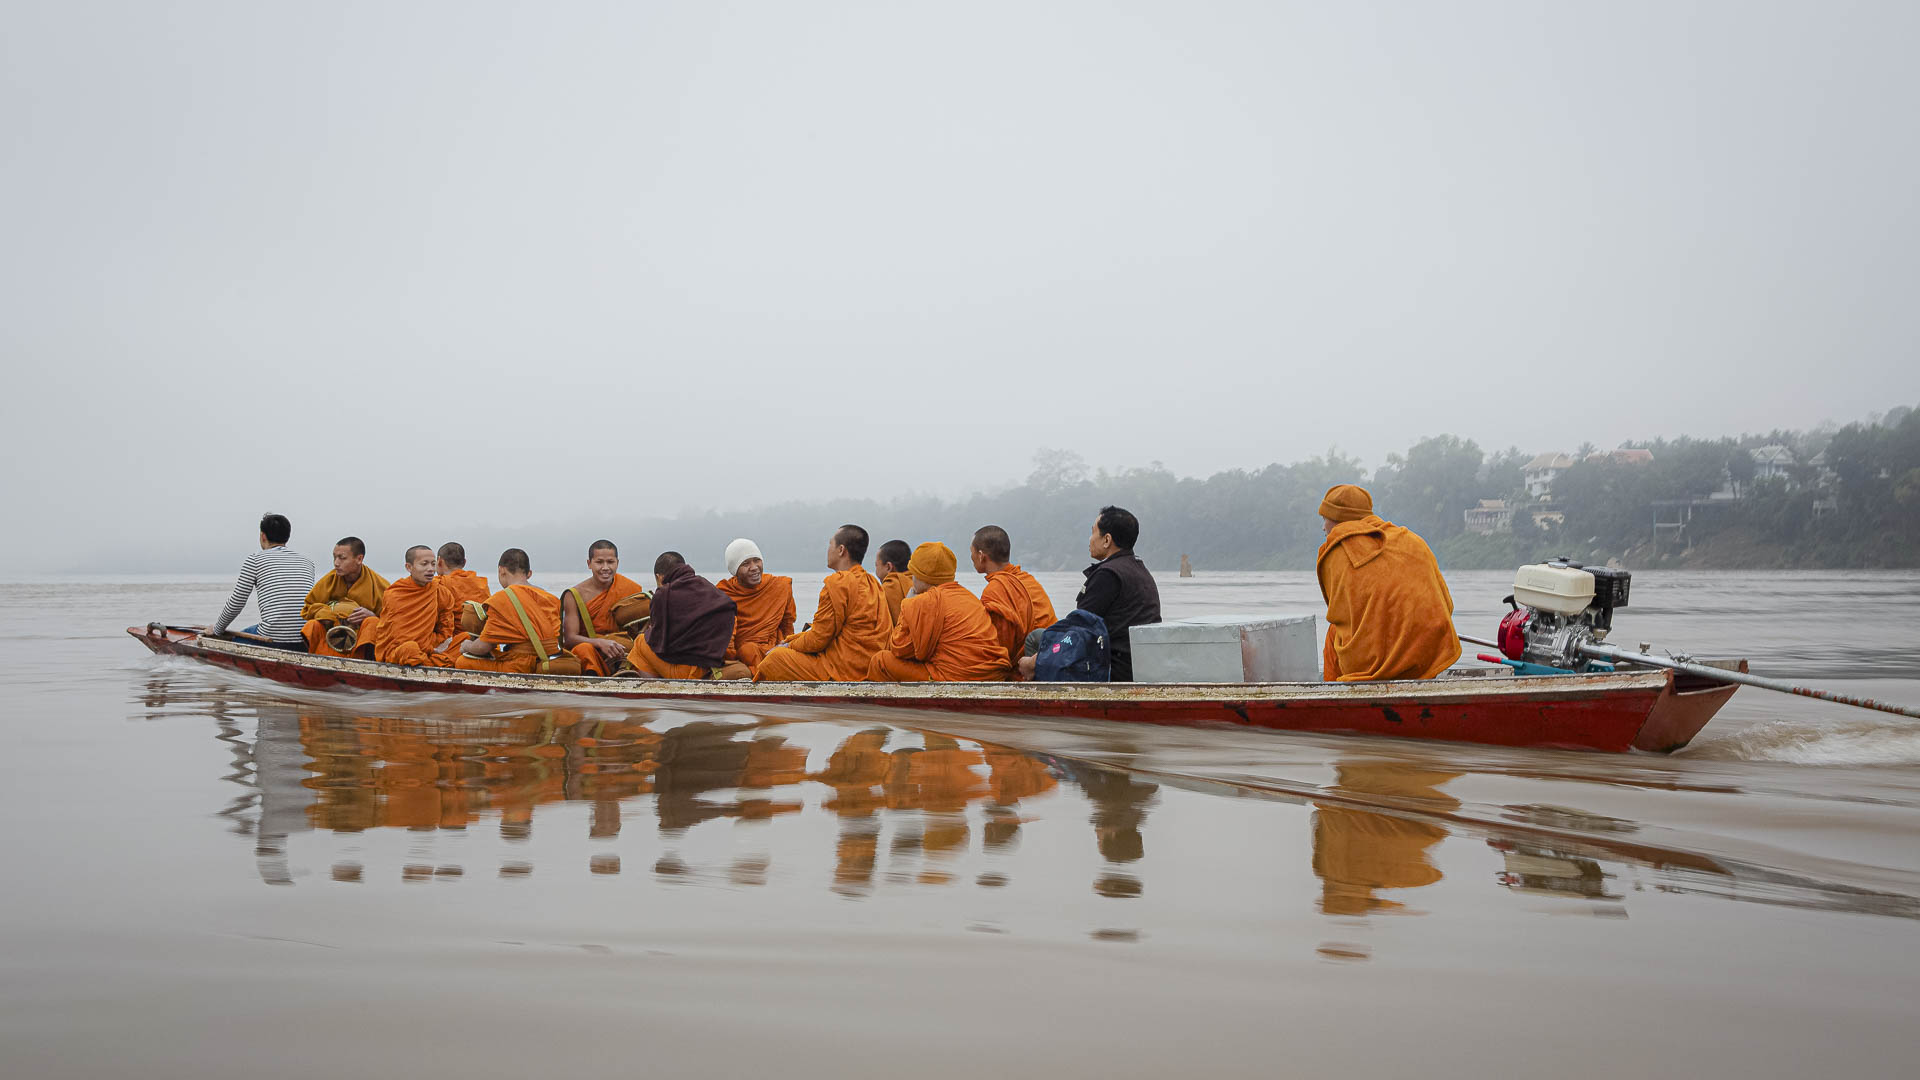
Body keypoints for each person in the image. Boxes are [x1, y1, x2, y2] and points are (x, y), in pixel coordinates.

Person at [1315, 484, 1462, 681]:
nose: (1323, 527)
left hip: (1369, 665)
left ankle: (1334, 703)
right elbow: (1446, 605)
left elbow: (1340, 616)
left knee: (1334, 632)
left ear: (1340, 519)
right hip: (1427, 658)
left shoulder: (1337, 550)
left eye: (1326, 519)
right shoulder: (1410, 539)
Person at [1020, 506, 1160, 682]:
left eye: (1093, 532)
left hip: (1110, 667)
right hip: (1135, 664)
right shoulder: (1139, 568)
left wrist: (1034, 662)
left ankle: (1045, 698)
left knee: (1036, 638)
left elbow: (1078, 632)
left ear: (1107, 540)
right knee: (1045, 636)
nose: (1090, 539)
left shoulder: (1108, 575)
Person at [754, 525, 892, 682]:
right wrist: (793, 640)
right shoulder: (873, 583)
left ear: (841, 550)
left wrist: (787, 646)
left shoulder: (839, 582)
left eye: (830, 544)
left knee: (775, 658)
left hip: (844, 669)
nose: (828, 550)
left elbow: (818, 639)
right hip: (870, 666)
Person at [867, 542, 1012, 682]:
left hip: (953, 678)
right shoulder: (969, 597)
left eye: (914, 574)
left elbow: (900, 648)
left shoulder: (922, 601)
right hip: (993, 674)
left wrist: (909, 601)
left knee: (880, 661)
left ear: (921, 576)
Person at [623, 552, 741, 679]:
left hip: (685, 670)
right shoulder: (706, 586)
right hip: (710, 664)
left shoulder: (663, 594)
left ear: (659, 577)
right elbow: (729, 606)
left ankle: (652, 692)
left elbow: (657, 640)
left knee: (641, 642)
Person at [208, 513, 315, 649]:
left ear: (263, 536)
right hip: (306, 638)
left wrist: (217, 631)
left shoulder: (255, 560)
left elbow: (237, 601)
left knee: (235, 640)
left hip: (273, 638)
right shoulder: (307, 562)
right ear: (287, 536)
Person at [456, 548, 564, 673]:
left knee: (463, 662)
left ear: (501, 571)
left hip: (521, 665)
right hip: (550, 660)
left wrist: (468, 646)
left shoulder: (501, 599)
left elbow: (483, 647)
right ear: (528, 573)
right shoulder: (549, 597)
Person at [357, 545, 463, 666]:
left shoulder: (442, 593)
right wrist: (423, 646)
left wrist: (431, 644)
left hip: (430, 647)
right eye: (424, 564)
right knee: (410, 649)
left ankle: (426, 662)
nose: (430, 569)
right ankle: (430, 663)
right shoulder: (396, 594)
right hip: (401, 649)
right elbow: (397, 637)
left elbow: (446, 629)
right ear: (409, 567)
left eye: (433, 564)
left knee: (465, 639)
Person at [970, 524, 1057, 667]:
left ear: (981, 556)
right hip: (1053, 655)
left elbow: (1001, 648)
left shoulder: (995, 590)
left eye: (971, 552)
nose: (970, 557)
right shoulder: (1028, 579)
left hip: (1026, 668)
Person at [561, 540, 648, 677]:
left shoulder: (631, 588)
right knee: (583, 649)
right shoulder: (574, 595)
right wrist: (600, 643)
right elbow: (570, 638)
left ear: (617, 563)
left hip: (623, 652)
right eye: (599, 562)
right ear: (589, 564)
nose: (605, 567)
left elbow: (639, 630)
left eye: (610, 562)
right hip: (593, 651)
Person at [714, 538, 796, 675]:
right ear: (734, 570)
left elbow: (788, 625)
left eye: (757, 560)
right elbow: (722, 635)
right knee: (748, 650)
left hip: (774, 649)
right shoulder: (724, 593)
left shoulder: (779, 586)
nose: (754, 567)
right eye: (746, 563)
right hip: (742, 654)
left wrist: (788, 648)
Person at [300, 537, 390, 655]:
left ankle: (363, 665)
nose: (336, 563)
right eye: (334, 557)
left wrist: (372, 615)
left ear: (359, 559)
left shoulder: (380, 585)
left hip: (360, 643)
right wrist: (326, 613)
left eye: (342, 558)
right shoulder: (329, 581)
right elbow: (307, 608)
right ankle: (314, 662)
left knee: (372, 622)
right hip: (331, 639)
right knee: (312, 625)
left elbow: (393, 620)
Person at [873, 539, 914, 623]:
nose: (876, 570)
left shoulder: (887, 589)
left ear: (888, 567)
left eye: (876, 565)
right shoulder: (922, 583)